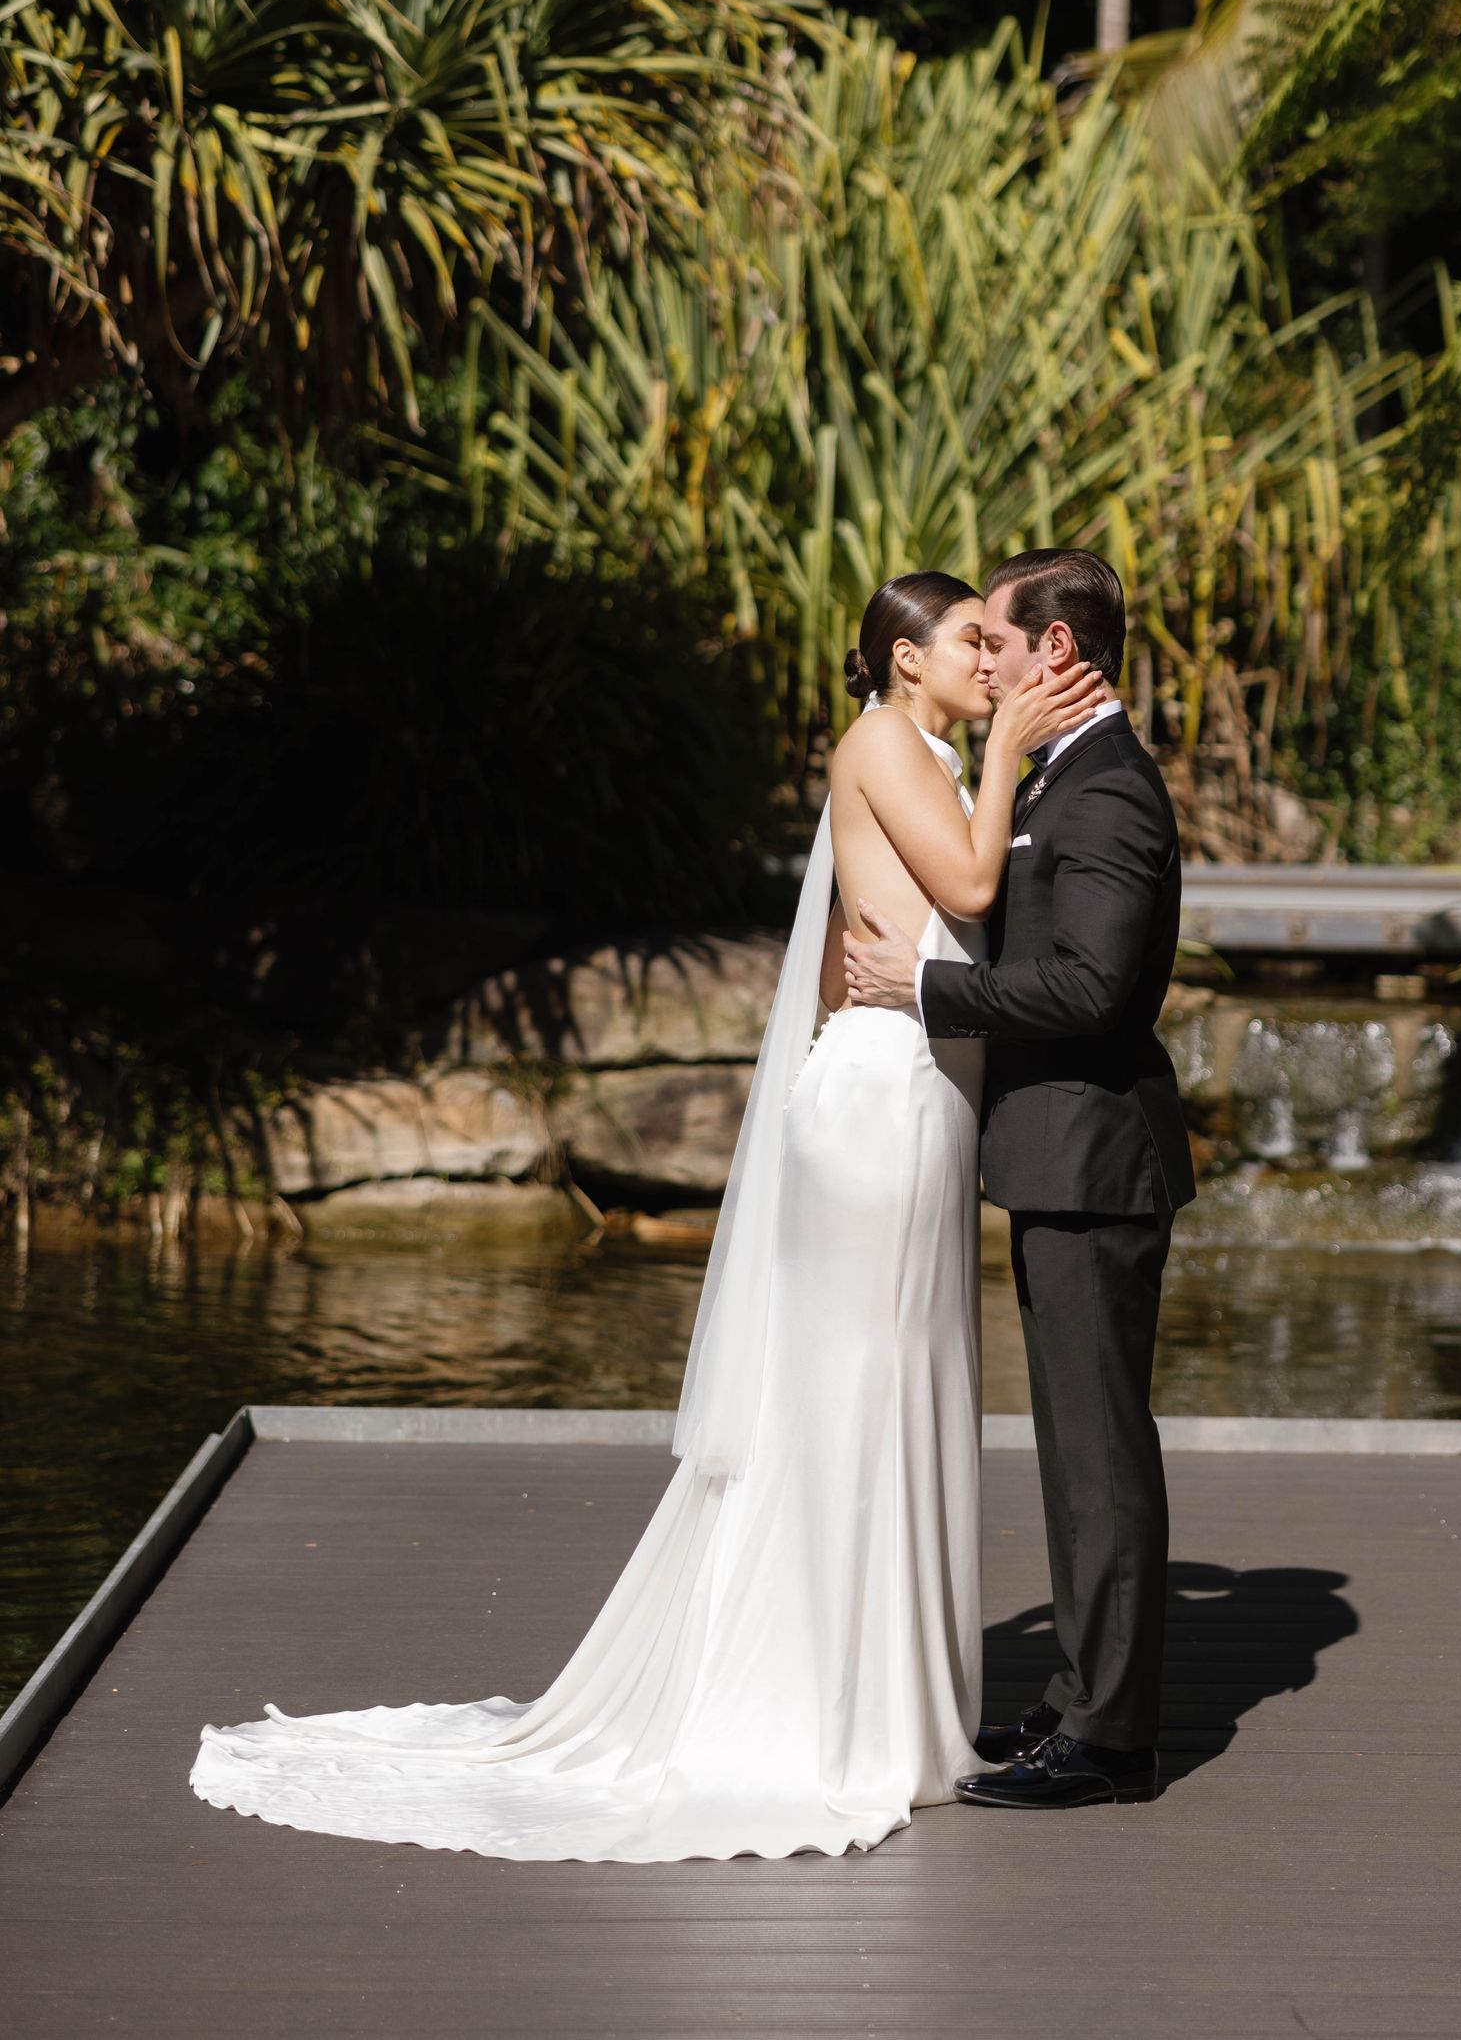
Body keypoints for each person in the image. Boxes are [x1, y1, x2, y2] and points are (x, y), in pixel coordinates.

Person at [189, 571, 1100, 1864]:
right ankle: (823, 1714)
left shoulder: (931, 747)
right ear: (905, 655)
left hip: (926, 1089)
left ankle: (896, 1706)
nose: (991, 661)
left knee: (906, 1387)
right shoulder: (887, 741)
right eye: (969, 641)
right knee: (851, 1391)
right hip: (880, 1097)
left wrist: (1000, 762)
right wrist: (1012, 752)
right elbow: (964, 883)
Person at [845, 547, 1193, 1810]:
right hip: (1059, 1158)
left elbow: (1096, 987)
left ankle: (1112, 1742)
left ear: (1056, 649)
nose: (982, 656)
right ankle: (1078, 1700)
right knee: (1074, 1445)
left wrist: (929, 988)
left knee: (1099, 1449)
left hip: (1097, 1155)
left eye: (997, 637)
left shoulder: (1105, 789)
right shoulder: (1060, 769)